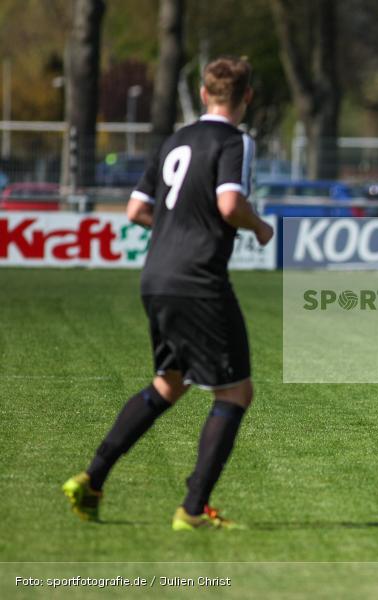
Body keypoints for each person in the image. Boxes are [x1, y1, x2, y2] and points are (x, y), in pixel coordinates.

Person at [62, 56, 273, 529]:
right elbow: (229, 204)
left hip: (156, 276)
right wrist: (259, 226)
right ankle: (193, 510)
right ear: (246, 97)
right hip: (198, 280)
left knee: (169, 382)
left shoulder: (174, 141)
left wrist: (176, 229)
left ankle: (91, 480)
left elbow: (136, 210)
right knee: (235, 392)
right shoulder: (236, 141)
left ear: (203, 94)